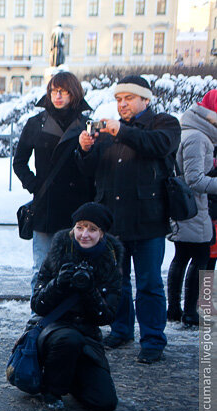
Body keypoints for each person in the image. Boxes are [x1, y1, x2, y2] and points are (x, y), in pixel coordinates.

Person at [78, 75, 181, 364]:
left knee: (149, 284)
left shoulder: (165, 123)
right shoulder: (111, 131)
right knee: (116, 282)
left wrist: (120, 131)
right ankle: (121, 329)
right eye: (119, 99)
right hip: (114, 222)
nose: (122, 104)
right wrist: (84, 149)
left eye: (129, 99)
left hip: (148, 221)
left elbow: (158, 145)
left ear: (145, 100)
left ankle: (152, 339)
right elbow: (89, 171)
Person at [31, 203, 123, 411]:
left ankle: (71, 376)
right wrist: (58, 284)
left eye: (92, 229)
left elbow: (107, 316)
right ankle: (51, 389)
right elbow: (37, 305)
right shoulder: (58, 252)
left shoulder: (111, 260)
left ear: (102, 233)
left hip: (88, 337)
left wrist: (90, 290)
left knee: (104, 403)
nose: (84, 235)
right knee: (68, 339)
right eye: (80, 227)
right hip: (54, 331)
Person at [13, 71, 94, 290]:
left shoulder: (87, 125)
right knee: (42, 267)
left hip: (77, 208)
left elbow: (93, 167)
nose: (57, 96)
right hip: (46, 207)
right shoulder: (36, 123)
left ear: (73, 93)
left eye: (64, 91)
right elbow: (19, 162)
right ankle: (39, 316)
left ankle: (72, 318)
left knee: (77, 267)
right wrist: (36, 187)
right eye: (53, 91)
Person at [169, 89, 217, 328]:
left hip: (186, 206)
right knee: (199, 256)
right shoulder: (199, 137)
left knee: (183, 256)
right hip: (194, 207)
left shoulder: (190, 131)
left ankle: (175, 309)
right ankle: (188, 311)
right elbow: (195, 179)